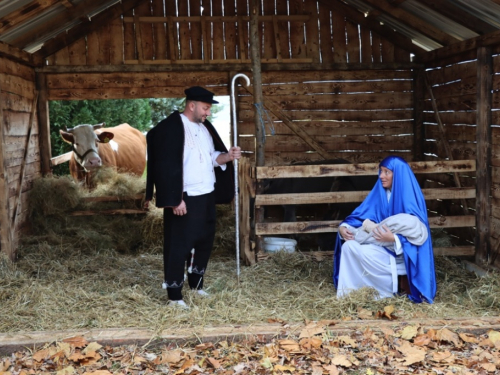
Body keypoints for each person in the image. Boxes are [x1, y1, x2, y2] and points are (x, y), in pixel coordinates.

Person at [145, 86, 241, 308]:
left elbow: (211, 158)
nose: (208, 113)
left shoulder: (205, 129)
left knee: (204, 240)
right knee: (179, 244)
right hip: (184, 196)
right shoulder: (170, 129)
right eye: (206, 108)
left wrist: (227, 156)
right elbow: (163, 167)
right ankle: (174, 296)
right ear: (192, 105)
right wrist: (174, 199)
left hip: (206, 194)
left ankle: (196, 285)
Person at [333, 155, 436, 303]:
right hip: (379, 247)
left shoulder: (411, 198)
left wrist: (394, 239)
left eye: (386, 172)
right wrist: (343, 227)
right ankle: (351, 294)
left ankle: (383, 293)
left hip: (402, 253)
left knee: (356, 249)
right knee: (349, 247)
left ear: (398, 174)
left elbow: (419, 234)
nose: (381, 176)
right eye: (381, 171)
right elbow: (360, 216)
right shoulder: (380, 194)